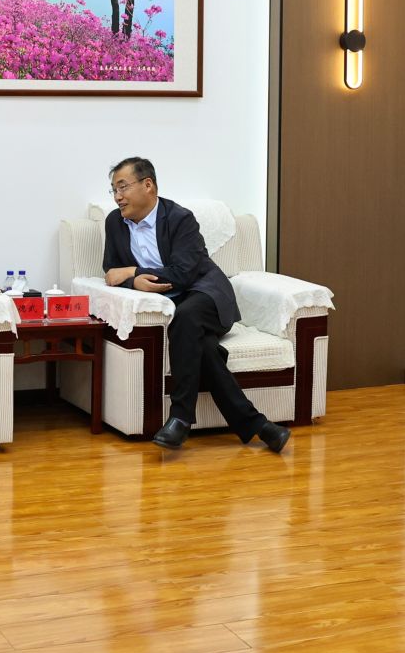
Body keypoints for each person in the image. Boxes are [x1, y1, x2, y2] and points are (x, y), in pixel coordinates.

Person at [102, 157, 289, 453]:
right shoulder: (115, 222)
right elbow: (111, 272)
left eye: (123, 187)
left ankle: (180, 417)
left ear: (148, 185)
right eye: (114, 190)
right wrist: (133, 281)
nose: (118, 196)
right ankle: (261, 427)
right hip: (177, 304)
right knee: (204, 349)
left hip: (207, 293)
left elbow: (182, 274)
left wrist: (134, 271)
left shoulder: (180, 218)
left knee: (186, 317)